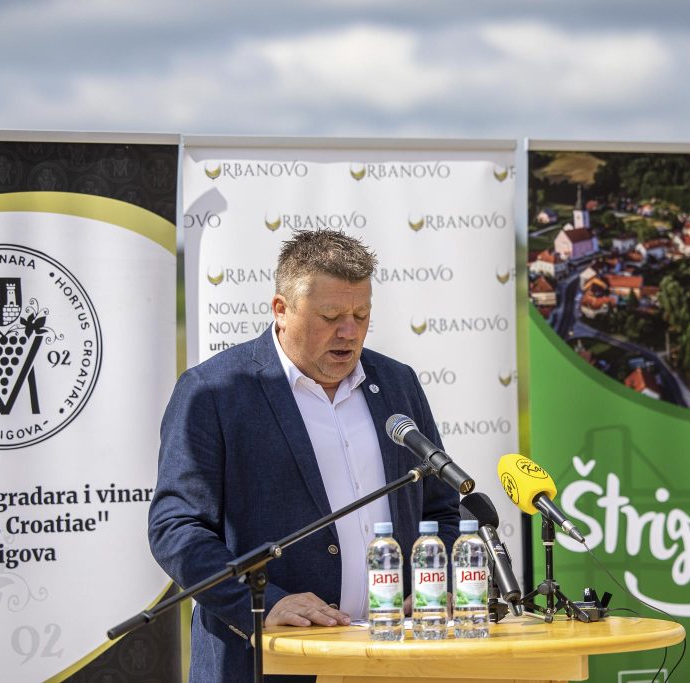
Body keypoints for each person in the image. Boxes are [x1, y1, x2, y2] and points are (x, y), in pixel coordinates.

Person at [149, 229, 459, 682]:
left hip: (395, 658)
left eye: (361, 315)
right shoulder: (214, 392)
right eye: (330, 316)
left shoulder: (397, 383)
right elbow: (176, 529)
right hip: (270, 662)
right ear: (281, 309)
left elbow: (440, 509)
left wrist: (433, 581)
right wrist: (262, 604)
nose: (349, 332)